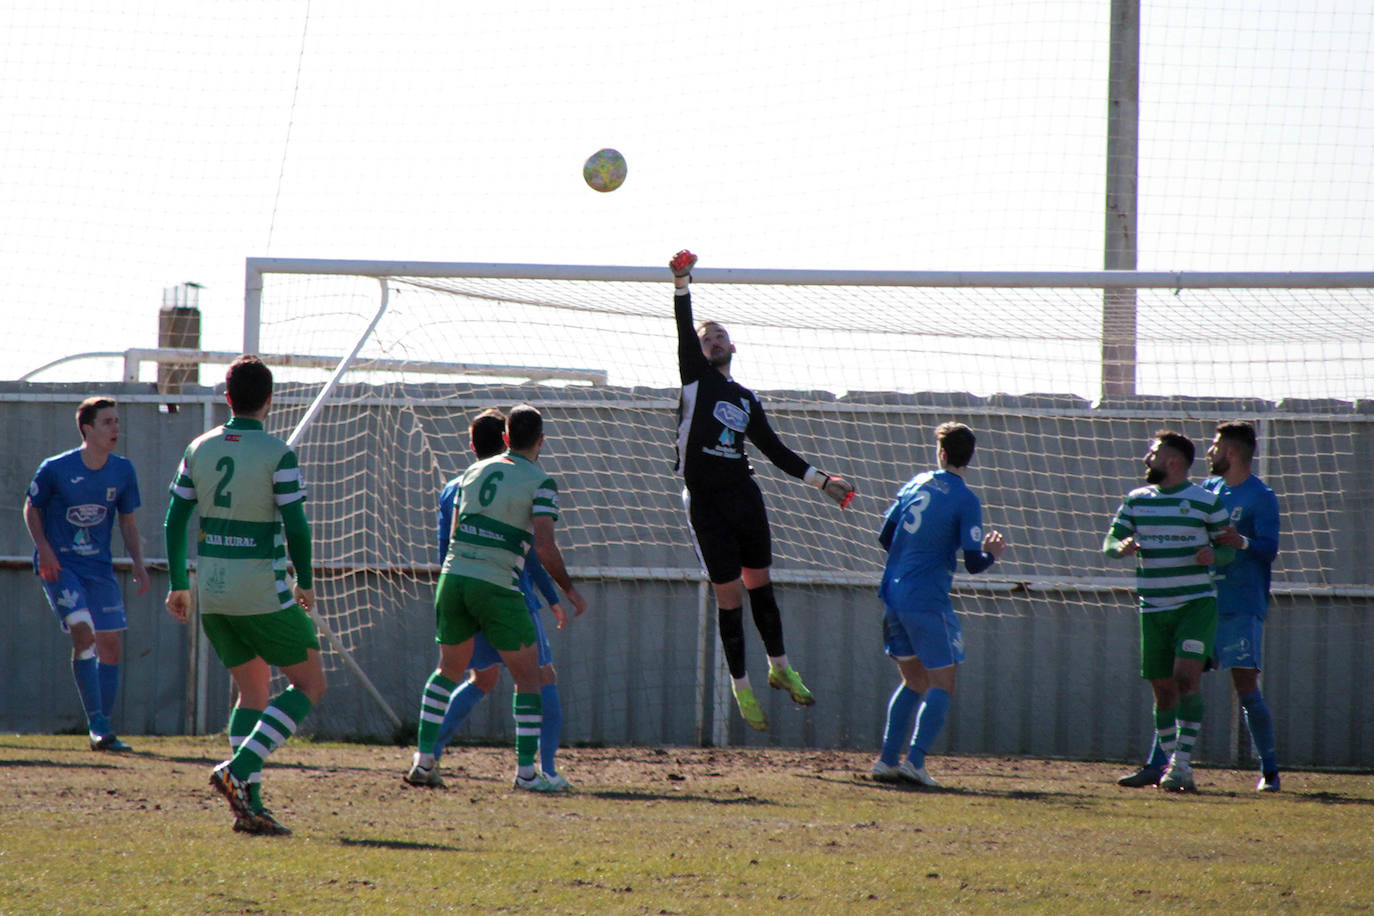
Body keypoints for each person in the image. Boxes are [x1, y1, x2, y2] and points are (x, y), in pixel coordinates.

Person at [668, 249, 855, 730]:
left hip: (744, 498)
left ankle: (779, 669)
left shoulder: (746, 399)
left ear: (734, 347)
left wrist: (823, 481)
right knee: (729, 597)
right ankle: (743, 687)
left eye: (721, 336)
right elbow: (685, 325)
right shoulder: (694, 381)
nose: (714, 341)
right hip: (706, 503)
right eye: (707, 338)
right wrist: (682, 283)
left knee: (761, 588)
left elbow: (774, 449)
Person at [164, 355, 327, 836]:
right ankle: (240, 767)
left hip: (212, 592)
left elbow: (175, 519)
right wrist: (307, 580)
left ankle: (249, 807)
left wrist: (178, 583)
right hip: (262, 589)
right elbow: (296, 524)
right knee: (310, 685)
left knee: (253, 691)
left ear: (227, 396)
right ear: (269, 399)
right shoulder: (278, 453)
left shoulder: (199, 447)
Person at [409, 404, 588, 792]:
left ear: (505, 438)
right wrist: (567, 590)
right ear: (541, 441)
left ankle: (423, 761)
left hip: (454, 580)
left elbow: (455, 535)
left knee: (448, 671)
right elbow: (544, 546)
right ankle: (531, 773)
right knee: (531, 680)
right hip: (499, 587)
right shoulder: (540, 481)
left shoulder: (468, 474)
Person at [1117, 421, 1282, 792]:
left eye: (1215, 446)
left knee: (1245, 686)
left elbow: (1268, 549)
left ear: (1232, 452)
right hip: (1197, 602)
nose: (1209, 453)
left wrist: (1239, 543)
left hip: (1240, 605)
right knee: (1174, 681)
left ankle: (1269, 771)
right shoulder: (1206, 490)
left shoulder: (1261, 496)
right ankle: (1159, 766)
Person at [869, 422, 1006, 787]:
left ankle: (885, 761)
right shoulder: (965, 499)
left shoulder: (916, 483)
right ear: (968, 457)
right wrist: (992, 554)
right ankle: (914, 762)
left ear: (941, 453)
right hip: (926, 598)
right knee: (942, 683)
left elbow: (885, 536)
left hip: (892, 593)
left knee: (914, 680)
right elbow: (974, 563)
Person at [1103, 429, 1234, 793]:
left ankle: (1182, 765)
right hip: (1153, 607)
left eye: (1153, 453)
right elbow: (1110, 541)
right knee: (1163, 691)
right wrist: (1120, 547)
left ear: (1172, 461)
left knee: (1186, 679)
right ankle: (1170, 766)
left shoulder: (1205, 502)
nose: (1148, 459)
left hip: (1195, 605)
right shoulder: (1135, 500)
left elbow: (1228, 548)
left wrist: (1216, 555)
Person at [24, 396, 150, 752]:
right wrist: (44, 550)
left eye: (117, 421)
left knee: (111, 644)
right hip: (61, 566)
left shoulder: (123, 470)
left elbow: (127, 520)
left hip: (99, 568)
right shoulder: (56, 468)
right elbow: (32, 509)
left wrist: (139, 562)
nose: (116, 428)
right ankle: (97, 727)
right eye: (108, 422)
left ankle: (103, 728)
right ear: (87, 429)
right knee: (84, 634)